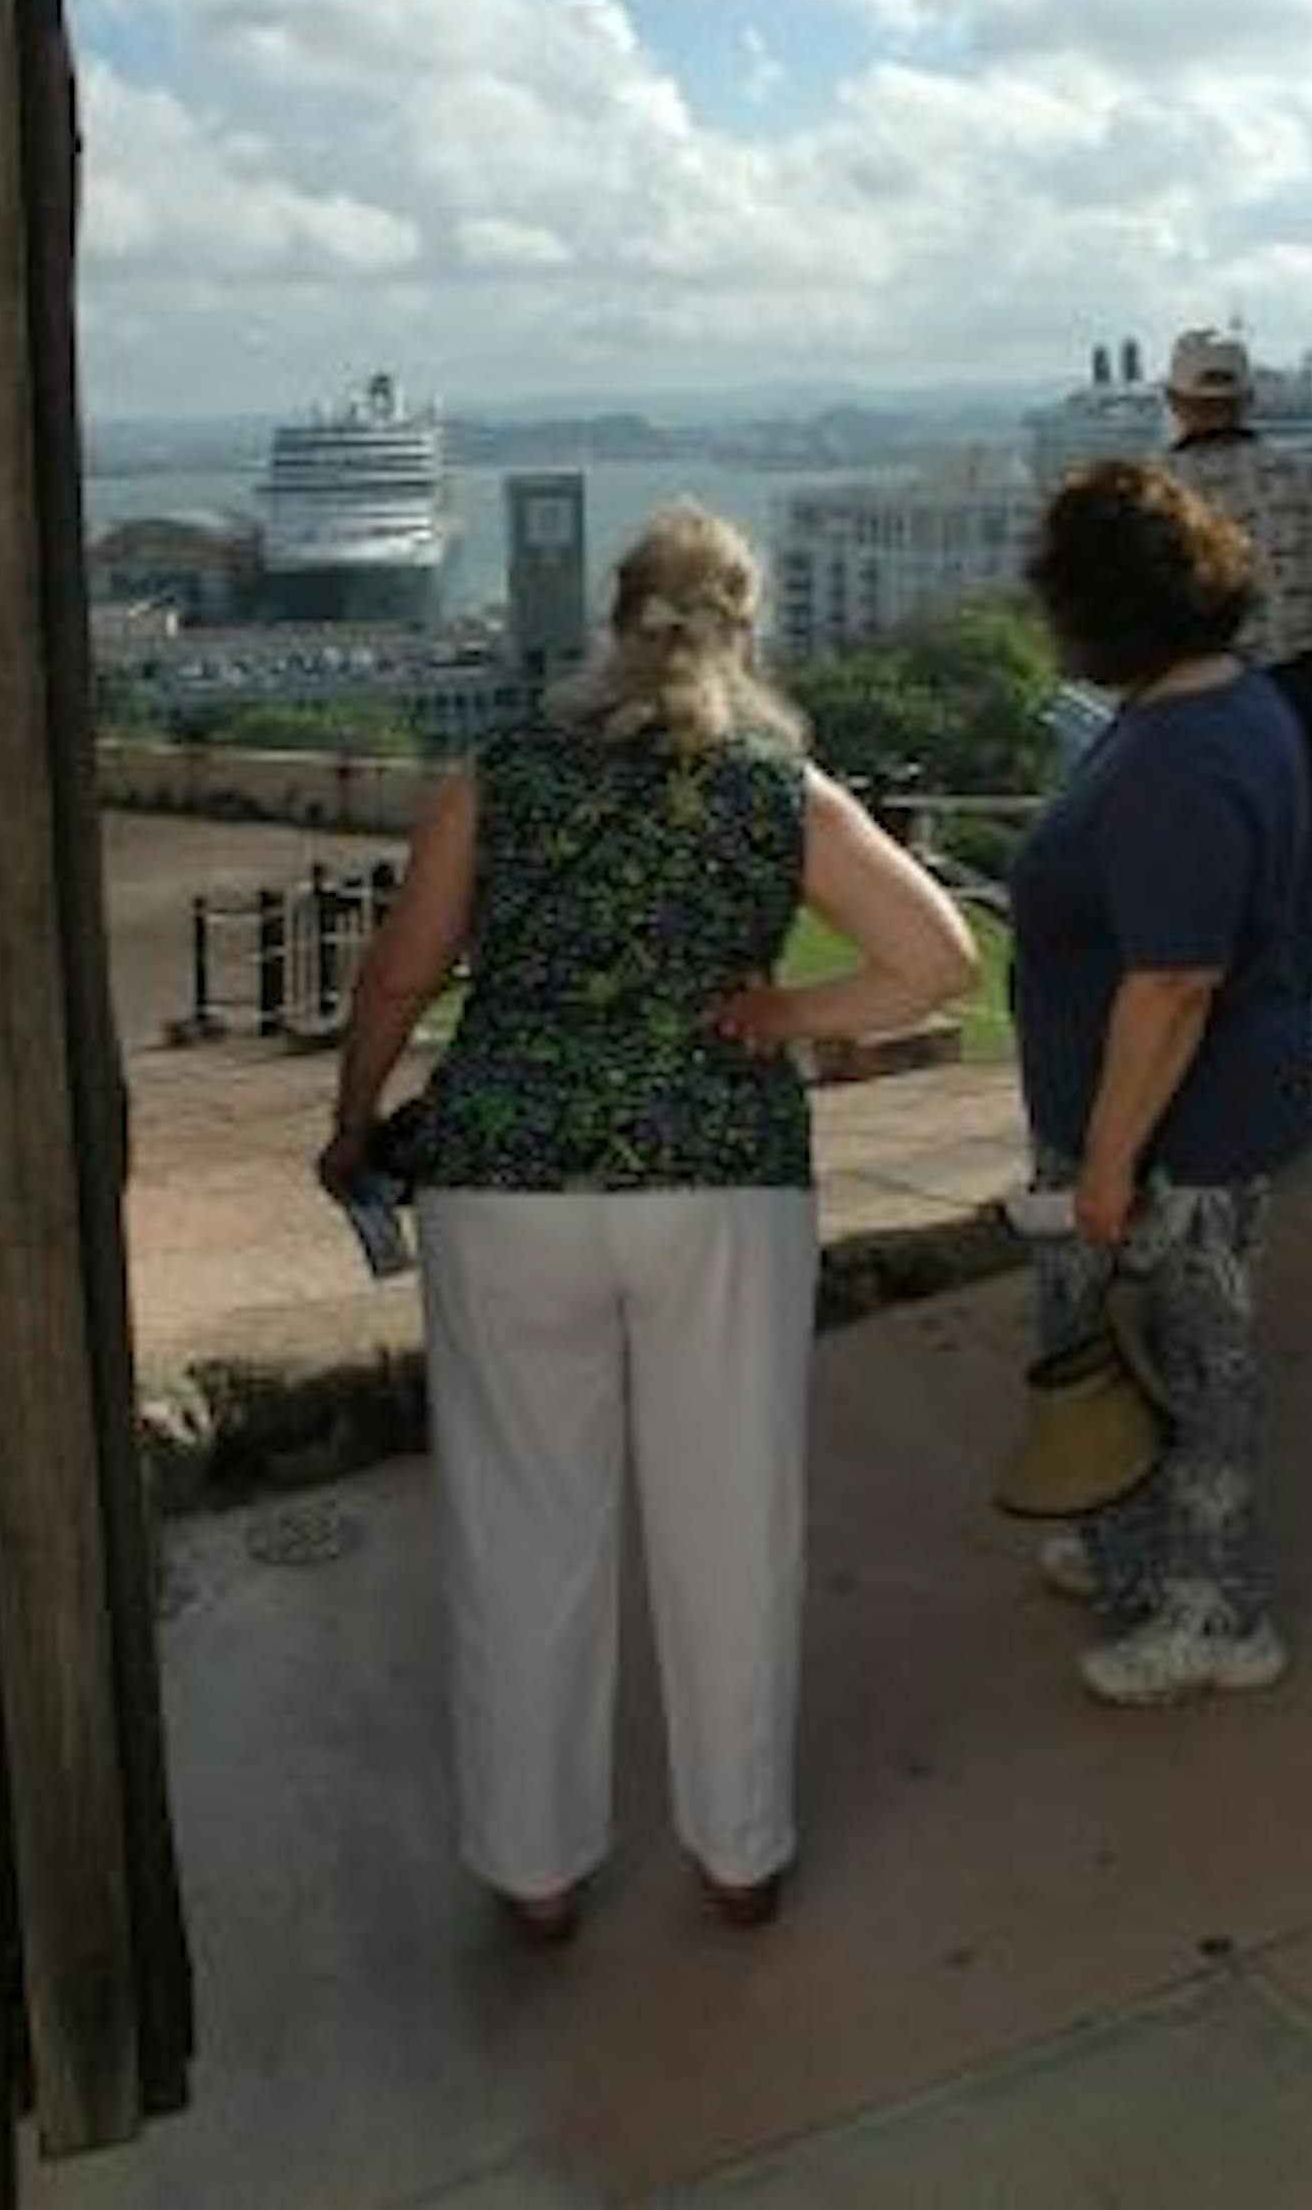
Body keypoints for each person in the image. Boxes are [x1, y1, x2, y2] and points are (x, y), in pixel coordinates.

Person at [317, 503, 977, 1944]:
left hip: (506, 1179)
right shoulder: (776, 787)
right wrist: (787, 1013)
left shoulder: (503, 776)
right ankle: (739, 1849)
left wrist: (356, 1121)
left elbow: (396, 976)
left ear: (617, 624)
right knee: (730, 1513)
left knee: (522, 1521)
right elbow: (936, 956)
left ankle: (535, 1865)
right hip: (719, 1175)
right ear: (746, 629)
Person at [1010, 458, 1312, 1706]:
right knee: (1119, 1353)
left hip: (1174, 1139)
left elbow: (1175, 982)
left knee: (1193, 1370)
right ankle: (1127, 1546)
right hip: (1168, 1122)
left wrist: (1102, 1166)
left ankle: (1217, 1616)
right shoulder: (1223, 706)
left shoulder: (1182, 755)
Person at [1159, 327, 1312, 876]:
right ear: (1248, 400)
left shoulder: (1155, 495)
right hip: (1305, 694)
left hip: (1194, 697)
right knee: (1297, 871)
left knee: (1200, 869)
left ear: (1174, 402)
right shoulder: (1311, 478)